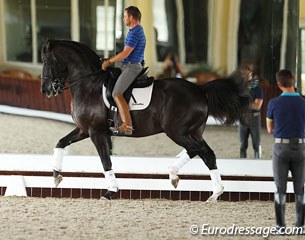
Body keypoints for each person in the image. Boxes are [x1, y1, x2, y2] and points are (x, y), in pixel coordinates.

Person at [266, 69, 305, 233]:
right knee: (300, 189)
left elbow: (269, 129)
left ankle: (280, 226)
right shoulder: (304, 102)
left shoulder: (273, 103)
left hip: (281, 147)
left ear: (279, 85)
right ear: (294, 80)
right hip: (301, 148)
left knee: (280, 188)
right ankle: (300, 227)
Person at [102, 6, 146, 135]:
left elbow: (124, 54)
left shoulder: (136, 32)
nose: (123, 19)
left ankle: (127, 125)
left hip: (131, 67)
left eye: (125, 17)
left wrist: (109, 61)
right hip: (126, 65)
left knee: (117, 93)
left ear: (131, 18)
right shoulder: (134, 31)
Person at [238, 64, 263, 159]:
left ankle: (258, 162)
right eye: (243, 74)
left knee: (256, 143)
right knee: (242, 144)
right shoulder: (240, 88)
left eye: (247, 74)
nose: (245, 76)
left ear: (251, 74)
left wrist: (243, 103)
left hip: (254, 117)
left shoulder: (258, 88)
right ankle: (242, 163)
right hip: (242, 117)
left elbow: (257, 106)